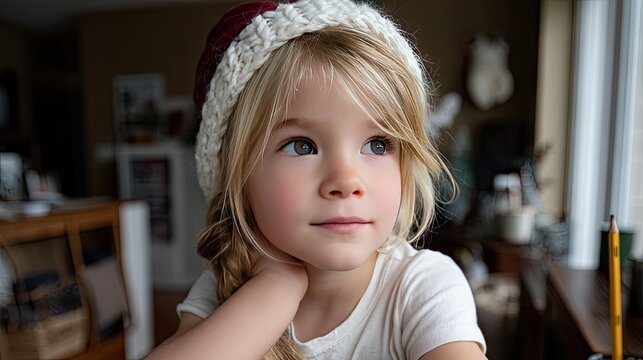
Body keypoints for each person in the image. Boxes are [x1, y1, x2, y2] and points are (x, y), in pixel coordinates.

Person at [147, 0, 487, 359]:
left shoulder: (422, 288)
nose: (346, 181)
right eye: (301, 146)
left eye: (377, 144)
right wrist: (276, 289)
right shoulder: (227, 286)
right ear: (237, 176)